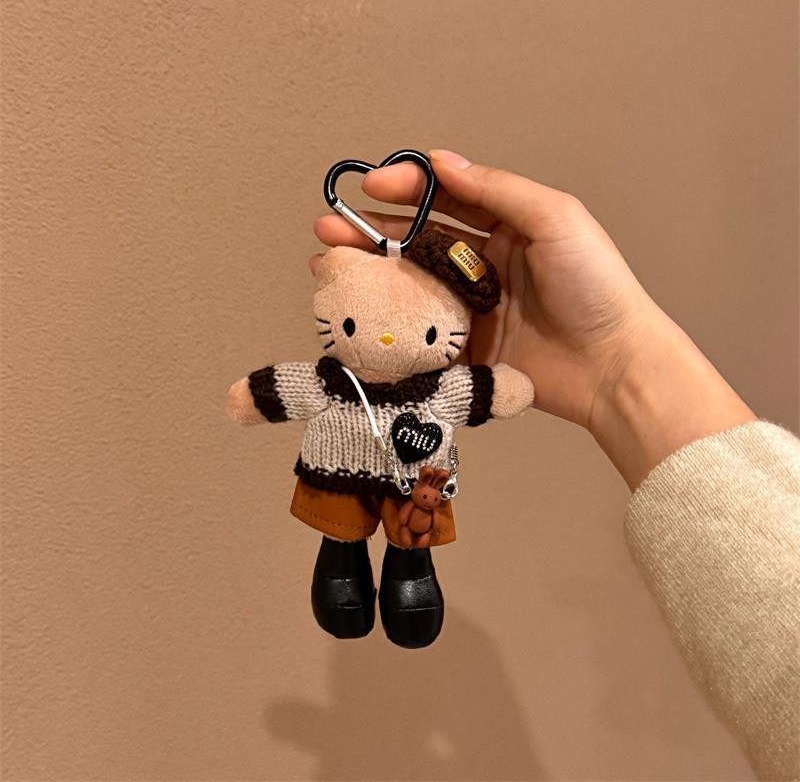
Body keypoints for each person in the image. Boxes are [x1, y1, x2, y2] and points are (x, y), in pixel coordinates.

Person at [313, 150, 800, 782]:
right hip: (338, 474)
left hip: (419, 484)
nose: (382, 342)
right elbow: (284, 389)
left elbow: (491, 391)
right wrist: (617, 361)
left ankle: (407, 574)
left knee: (413, 538)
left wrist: (609, 356)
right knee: (340, 527)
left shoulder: (442, 392)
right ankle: (342, 565)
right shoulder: (334, 385)